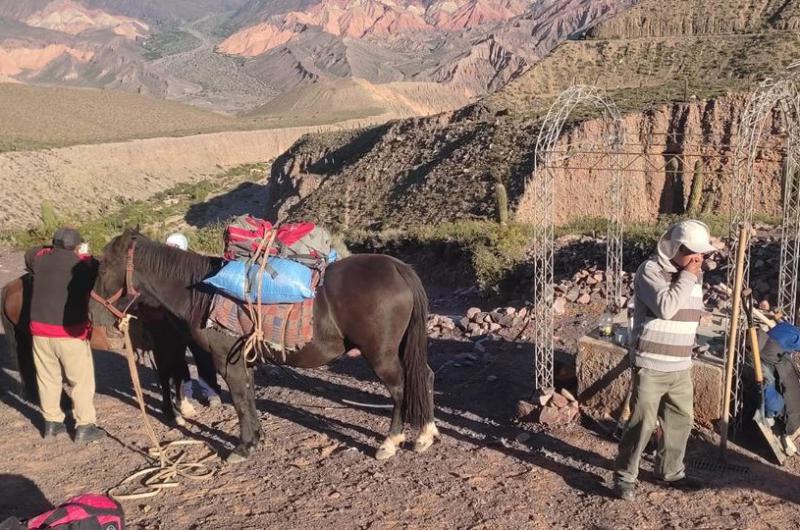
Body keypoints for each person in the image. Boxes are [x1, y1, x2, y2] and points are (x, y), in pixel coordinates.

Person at [613, 219, 716, 500]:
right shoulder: (650, 270)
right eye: (693, 252)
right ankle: (625, 477)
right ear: (674, 248)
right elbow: (667, 308)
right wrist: (690, 275)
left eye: (703, 254)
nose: (699, 259)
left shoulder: (690, 273)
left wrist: (691, 274)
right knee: (641, 424)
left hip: (681, 365)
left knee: (680, 421)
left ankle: (671, 473)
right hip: (651, 365)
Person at [25, 227, 105, 443]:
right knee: (81, 381)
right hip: (71, 333)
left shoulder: (40, 260)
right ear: (77, 246)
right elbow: (99, 268)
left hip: (40, 331)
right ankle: (85, 425)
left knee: (47, 378)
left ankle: (52, 423)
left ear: (54, 244)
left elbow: (30, 253)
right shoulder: (85, 265)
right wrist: (84, 255)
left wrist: (50, 249)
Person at [164, 233, 222, 407]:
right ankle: (184, 393)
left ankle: (211, 392)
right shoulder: (163, 268)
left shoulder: (196, 265)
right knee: (177, 358)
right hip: (174, 320)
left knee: (203, 355)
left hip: (195, 319)